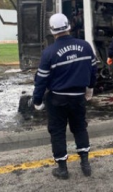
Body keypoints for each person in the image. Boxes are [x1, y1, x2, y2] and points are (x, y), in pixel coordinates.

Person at [32, 13, 97, 180]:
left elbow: (41, 80)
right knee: (80, 128)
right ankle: (85, 164)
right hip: (78, 97)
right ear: (69, 26)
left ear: (52, 31)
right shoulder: (86, 46)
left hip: (57, 99)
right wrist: (90, 88)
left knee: (58, 132)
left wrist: (37, 100)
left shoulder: (49, 53)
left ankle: (62, 169)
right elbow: (93, 70)